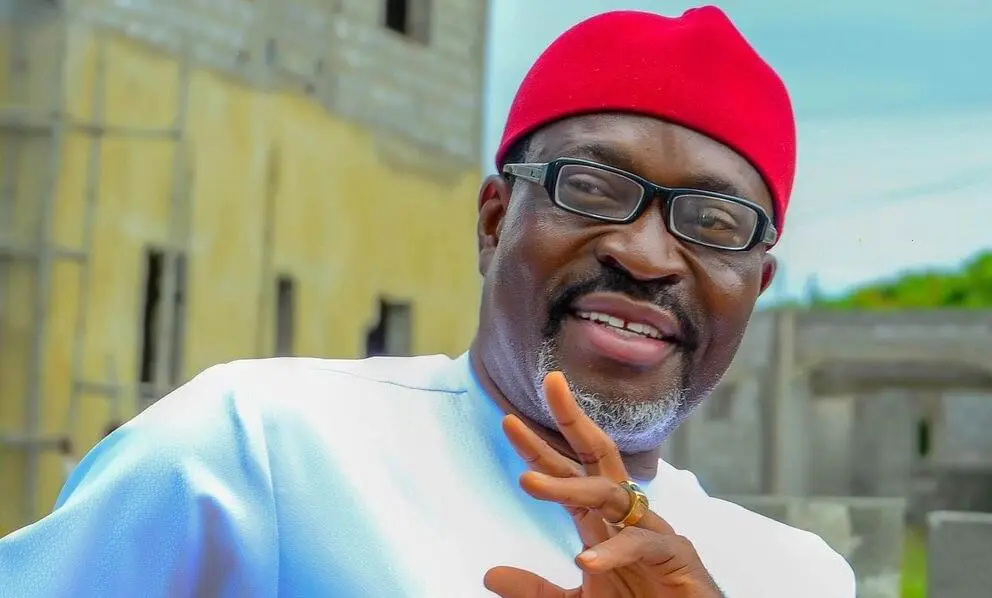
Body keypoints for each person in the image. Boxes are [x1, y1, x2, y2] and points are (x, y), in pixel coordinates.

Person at [0, 6, 855, 597]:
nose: (644, 253)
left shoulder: (796, 577)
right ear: (494, 222)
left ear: (757, 286)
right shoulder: (257, 448)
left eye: (714, 223)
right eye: (592, 189)